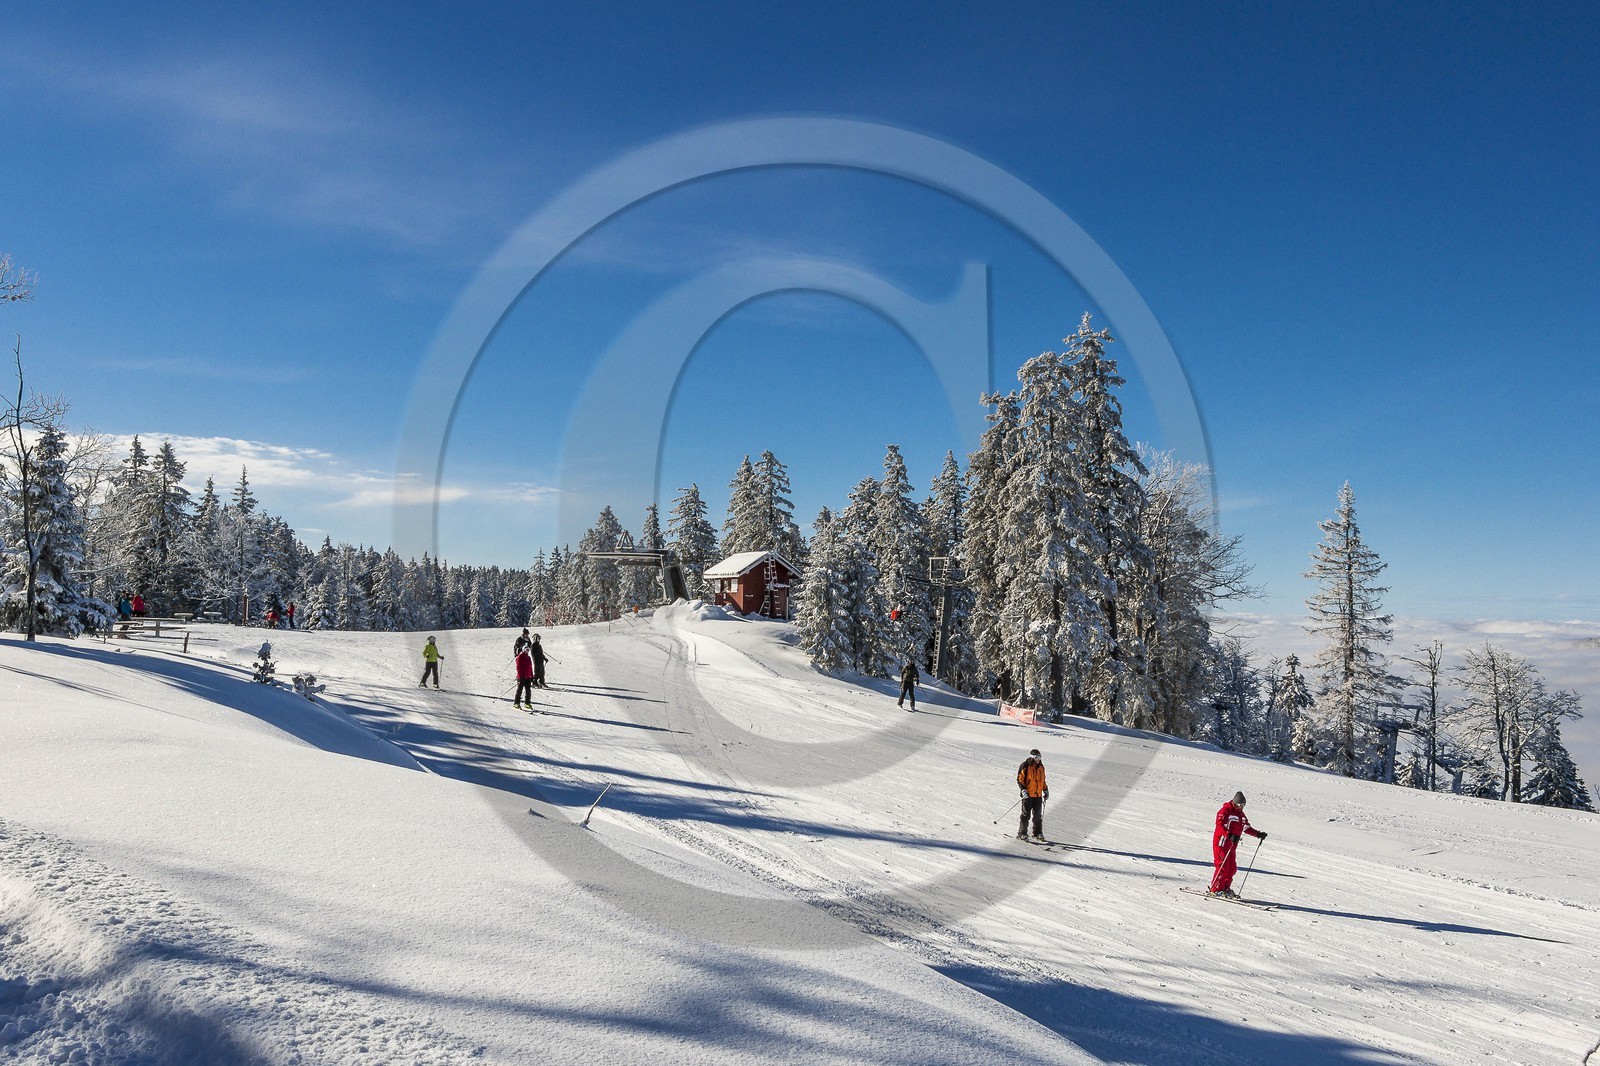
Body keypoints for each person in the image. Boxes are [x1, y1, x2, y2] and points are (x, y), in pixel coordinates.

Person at [1208, 791, 1268, 899]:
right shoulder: (1225, 811)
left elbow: (1246, 828)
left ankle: (1225, 888)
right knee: (1222, 867)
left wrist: (1258, 834)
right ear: (1235, 803)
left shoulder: (1241, 815)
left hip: (1232, 846)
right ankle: (1215, 889)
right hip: (1221, 844)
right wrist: (1229, 835)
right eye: (1240, 805)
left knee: (1232, 868)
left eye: (1243, 805)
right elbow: (1219, 826)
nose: (1242, 807)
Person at [1016, 748, 1048, 841]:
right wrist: (1023, 790)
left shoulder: (1041, 767)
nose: (1038, 759)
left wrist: (1045, 790)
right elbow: (1020, 779)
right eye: (1037, 757)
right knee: (1026, 815)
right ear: (1032, 757)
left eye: (1040, 757)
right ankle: (1022, 833)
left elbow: (1042, 780)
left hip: (1038, 796)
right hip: (1028, 795)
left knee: (1038, 816)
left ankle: (1037, 833)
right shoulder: (1025, 765)